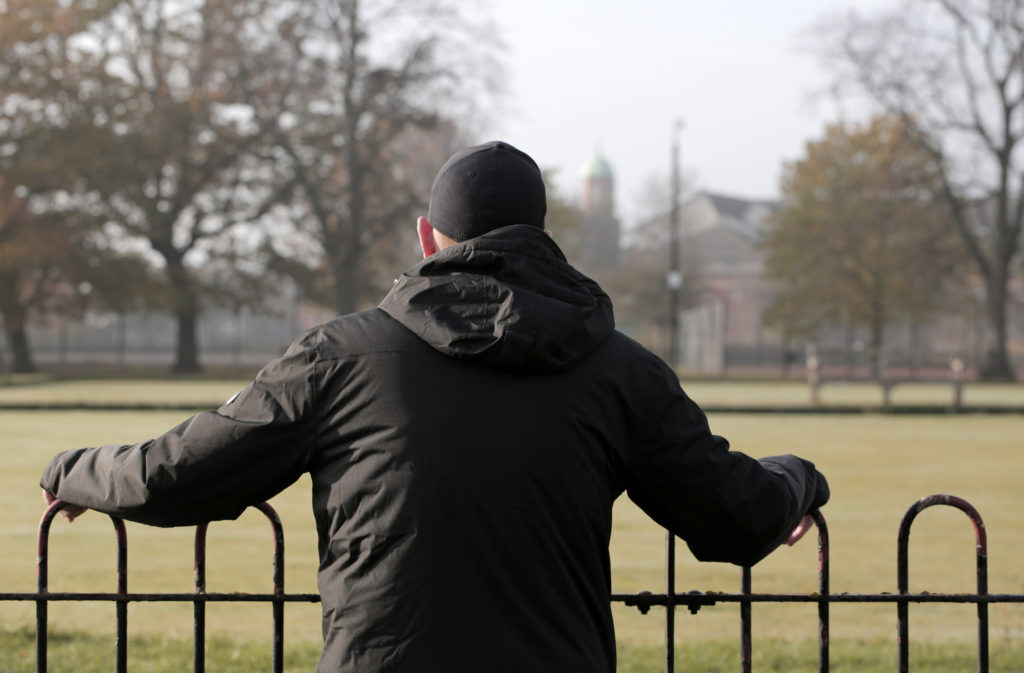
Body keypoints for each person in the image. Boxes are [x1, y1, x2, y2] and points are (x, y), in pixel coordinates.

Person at [40, 140, 829, 673]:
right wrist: (799, 479)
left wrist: (72, 470)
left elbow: (176, 475)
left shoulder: (339, 358)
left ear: (429, 238)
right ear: (543, 237)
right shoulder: (620, 370)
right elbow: (737, 517)